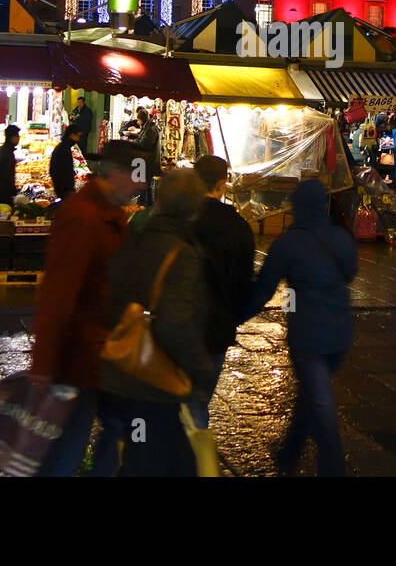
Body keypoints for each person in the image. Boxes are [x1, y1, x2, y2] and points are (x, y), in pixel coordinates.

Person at [30, 140, 146, 476]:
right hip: (78, 358)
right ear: (117, 174)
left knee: (118, 429)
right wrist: (45, 363)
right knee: (67, 446)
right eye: (136, 175)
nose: (141, 185)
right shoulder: (83, 216)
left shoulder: (110, 214)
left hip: (105, 353)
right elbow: (59, 292)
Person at [98, 168, 217, 476]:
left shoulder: (133, 238)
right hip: (149, 379)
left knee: (143, 455)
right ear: (194, 209)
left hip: (116, 368)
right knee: (157, 461)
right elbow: (173, 324)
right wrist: (199, 369)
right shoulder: (183, 253)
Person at [243, 179, 357, 476]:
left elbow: (262, 290)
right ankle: (289, 453)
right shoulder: (342, 237)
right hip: (341, 333)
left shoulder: (287, 244)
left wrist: (233, 316)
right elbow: (351, 273)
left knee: (321, 407)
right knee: (311, 395)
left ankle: (332, 468)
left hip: (309, 336)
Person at [189, 156, 256, 439]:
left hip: (177, 323)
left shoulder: (177, 219)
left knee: (171, 401)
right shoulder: (239, 227)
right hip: (216, 328)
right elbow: (243, 283)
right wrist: (233, 317)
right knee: (198, 402)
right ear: (222, 184)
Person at [48, 125, 84, 202]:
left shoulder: (63, 147)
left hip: (63, 189)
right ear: (72, 135)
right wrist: (66, 191)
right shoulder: (63, 150)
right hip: (64, 190)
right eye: (78, 136)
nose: (79, 139)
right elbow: (62, 172)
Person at [134, 106, 161, 207]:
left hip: (148, 162)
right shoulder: (148, 127)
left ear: (142, 119)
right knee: (146, 186)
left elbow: (144, 144)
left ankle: (142, 207)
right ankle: (147, 207)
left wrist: (134, 143)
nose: (137, 122)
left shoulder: (150, 129)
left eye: (138, 119)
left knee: (144, 186)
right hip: (147, 161)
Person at [0, 124, 20, 206]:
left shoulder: (5, 150)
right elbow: (7, 175)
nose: (18, 138)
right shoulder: (6, 152)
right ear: (12, 137)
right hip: (4, 192)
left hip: (1, 189)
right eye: (17, 136)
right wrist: (13, 192)